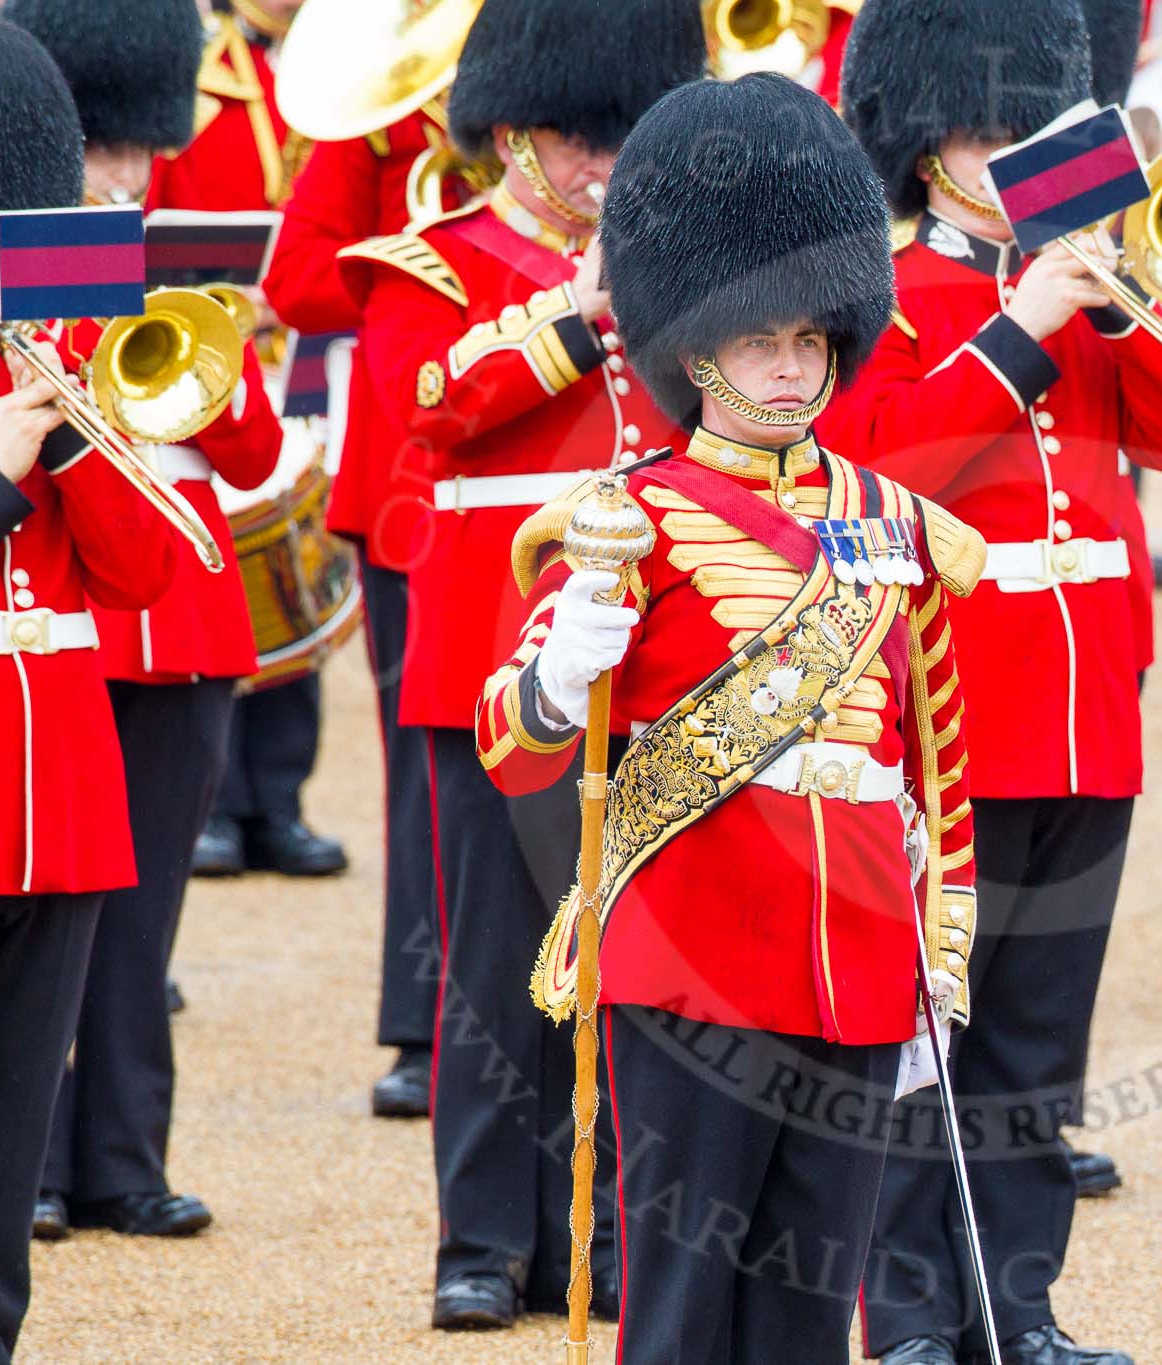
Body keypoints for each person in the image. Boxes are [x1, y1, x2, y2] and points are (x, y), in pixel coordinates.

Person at [479, 71, 983, 1365]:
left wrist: (943, 939)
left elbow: (937, 760)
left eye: (813, 341)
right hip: (693, 946)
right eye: (763, 339)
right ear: (696, 349)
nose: (791, 365)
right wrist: (559, 671)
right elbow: (512, 738)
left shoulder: (893, 527)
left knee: (812, 1309)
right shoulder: (625, 517)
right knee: (687, 1298)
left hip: (860, 947)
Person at [826, 3, 1162, 1361]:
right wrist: (1019, 331)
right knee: (930, 1041)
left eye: (1029, 133)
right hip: (950, 717)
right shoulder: (878, 295)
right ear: (930, 152)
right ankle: (921, 1320)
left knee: (1041, 1052)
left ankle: (1021, 1313)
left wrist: (1117, 298)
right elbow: (884, 465)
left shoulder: (1087, 283)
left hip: (1087, 714)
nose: (1012, 158)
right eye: (991, 137)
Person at [339, 0, 701, 1329]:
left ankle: (603, 1239)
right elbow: (423, 403)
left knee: (635, 957)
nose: (602, 164)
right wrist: (577, 306)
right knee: (493, 962)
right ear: (508, 130)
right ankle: (482, 1241)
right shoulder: (426, 265)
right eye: (576, 140)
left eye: (619, 140)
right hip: (487, 659)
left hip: (653, 649)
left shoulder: (679, 259)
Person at [0, 0, 287, 1242]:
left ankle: (123, 1156)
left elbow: (256, 447)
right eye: (99, 150)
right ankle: (40, 1161)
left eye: (133, 151)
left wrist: (198, 346)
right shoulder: (12, 271)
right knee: (60, 906)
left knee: (146, 908)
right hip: (73, 611)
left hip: (185, 615)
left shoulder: (181, 265)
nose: (121, 172)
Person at [0, 13, 181, 1357]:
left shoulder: (58, 375)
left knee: (6, 1126)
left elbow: (150, 574)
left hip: (62, 810)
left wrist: (66, 436)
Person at [261, 66, 480, 1125]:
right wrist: (426, 269)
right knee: (426, 770)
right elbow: (298, 280)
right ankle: (424, 1021)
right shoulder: (386, 115)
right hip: (414, 480)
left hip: (580, 461)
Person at [180, 0, 350, 881]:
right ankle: (215, 799)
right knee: (221, 562)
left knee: (297, 565)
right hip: (212, 353)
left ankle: (279, 798)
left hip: (312, 351)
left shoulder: (356, 67)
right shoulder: (197, 76)